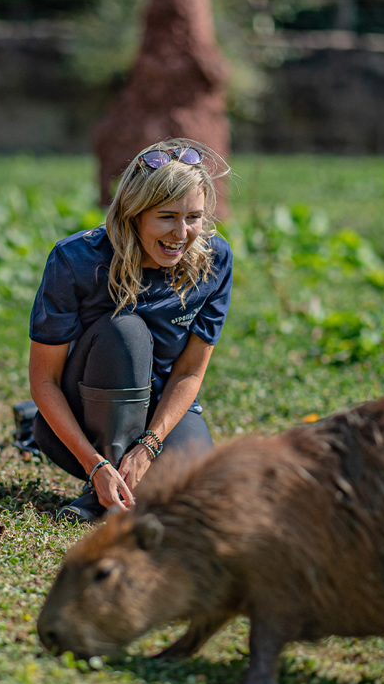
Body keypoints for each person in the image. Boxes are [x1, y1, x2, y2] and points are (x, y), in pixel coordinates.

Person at [28, 139, 233, 523]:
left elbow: (189, 372)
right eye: (167, 216)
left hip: (162, 413)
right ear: (134, 214)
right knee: (127, 332)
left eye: (194, 217)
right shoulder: (76, 259)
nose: (182, 233)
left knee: (192, 482)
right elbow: (44, 381)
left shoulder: (215, 260)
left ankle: (114, 494)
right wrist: (94, 463)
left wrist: (150, 446)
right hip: (85, 427)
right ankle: (103, 484)